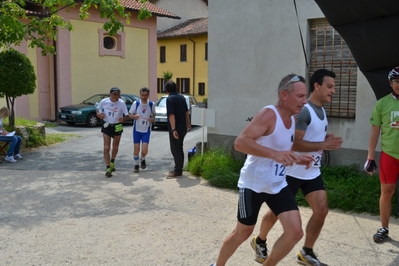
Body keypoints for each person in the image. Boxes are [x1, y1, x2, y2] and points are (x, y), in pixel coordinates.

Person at [210, 74, 315, 266]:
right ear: (284, 95)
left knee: (295, 232)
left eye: (305, 96)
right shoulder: (268, 114)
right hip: (253, 184)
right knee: (243, 232)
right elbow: (240, 142)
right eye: (300, 96)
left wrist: (297, 159)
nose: (304, 101)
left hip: (276, 184)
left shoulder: (292, 119)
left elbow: (281, 148)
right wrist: (274, 154)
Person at [250, 69, 343, 265]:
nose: (333, 91)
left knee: (321, 210)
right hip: (291, 171)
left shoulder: (321, 110)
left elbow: (309, 138)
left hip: (311, 171)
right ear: (316, 86)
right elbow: (294, 143)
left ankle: (306, 252)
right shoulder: (304, 111)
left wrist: (323, 140)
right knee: (276, 213)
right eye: (330, 86)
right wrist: (322, 145)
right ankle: (260, 241)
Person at [365, 66, 399, 243]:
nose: (398, 84)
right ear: (390, 83)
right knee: (386, 192)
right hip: (389, 155)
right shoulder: (382, 104)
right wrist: (370, 157)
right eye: (395, 81)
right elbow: (374, 132)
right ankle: (384, 228)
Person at [96, 87, 129, 177]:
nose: (117, 96)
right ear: (110, 94)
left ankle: (112, 161)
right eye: (115, 94)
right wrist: (98, 114)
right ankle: (107, 167)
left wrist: (124, 119)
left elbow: (127, 115)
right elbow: (98, 110)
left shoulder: (121, 103)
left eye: (118, 94)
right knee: (107, 148)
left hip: (117, 126)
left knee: (115, 147)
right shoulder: (104, 101)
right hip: (107, 125)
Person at [164, 80, 192, 178]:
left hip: (176, 128)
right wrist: (188, 124)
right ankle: (179, 169)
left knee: (175, 149)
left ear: (167, 89)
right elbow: (186, 112)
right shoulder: (182, 97)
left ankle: (177, 171)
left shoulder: (170, 99)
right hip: (183, 127)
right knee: (180, 148)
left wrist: (173, 129)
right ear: (176, 88)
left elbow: (172, 115)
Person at [128, 87, 156, 173]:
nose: (143, 97)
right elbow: (129, 115)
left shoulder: (151, 104)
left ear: (148, 95)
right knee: (136, 149)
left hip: (146, 130)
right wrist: (134, 116)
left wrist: (152, 119)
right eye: (142, 95)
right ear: (140, 95)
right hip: (137, 130)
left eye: (145, 95)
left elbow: (154, 115)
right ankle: (136, 165)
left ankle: (142, 158)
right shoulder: (135, 103)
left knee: (144, 150)